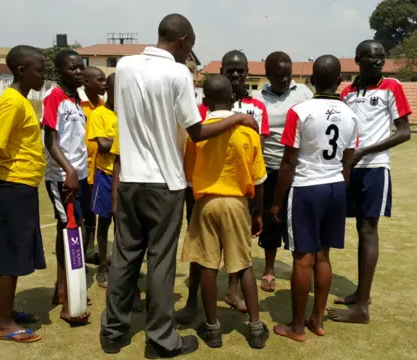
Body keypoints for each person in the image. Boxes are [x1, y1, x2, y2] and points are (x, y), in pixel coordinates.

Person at [99, 14, 258, 358]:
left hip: (130, 179)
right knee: (160, 261)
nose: (191, 54)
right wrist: (239, 118)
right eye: (191, 46)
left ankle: (113, 332)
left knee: (125, 256)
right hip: (164, 183)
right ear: (183, 39)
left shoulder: (124, 66)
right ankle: (161, 339)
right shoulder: (177, 73)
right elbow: (196, 130)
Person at [176, 50, 270, 324]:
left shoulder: (202, 127)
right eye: (230, 68)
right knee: (243, 264)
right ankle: (254, 325)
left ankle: (213, 323)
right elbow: (259, 177)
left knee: (207, 262)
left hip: (206, 200)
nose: (236, 73)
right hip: (236, 201)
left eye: (241, 69)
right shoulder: (244, 128)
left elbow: (190, 176)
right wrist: (257, 211)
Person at [270, 55, 357, 342]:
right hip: (336, 188)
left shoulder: (300, 110)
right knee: (324, 256)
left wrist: (277, 202)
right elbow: (348, 161)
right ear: (340, 80)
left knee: (302, 259)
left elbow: (288, 162)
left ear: (311, 81)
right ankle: (317, 320)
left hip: (307, 188)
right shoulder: (350, 114)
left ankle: (296, 327)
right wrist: (339, 191)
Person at [328, 40, 412, 324]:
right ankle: (359, 293)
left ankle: (362, 307)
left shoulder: (392, 86)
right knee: (356, 229)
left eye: (382, 57)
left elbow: (404, 133)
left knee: (368, 231)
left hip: (374, 168)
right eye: (372, 57)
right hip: (349, 169)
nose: (378, 62)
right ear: (357, 59)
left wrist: (364, 151)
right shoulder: (347, 92)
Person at [0, 45, 46, 343]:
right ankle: (4, 324)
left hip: (21, 186)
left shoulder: (21, 101)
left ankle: (4, 310)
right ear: (21, 71)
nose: (43, 75)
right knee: (9, 255)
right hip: (12, 187)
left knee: (15, 252)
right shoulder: (13, 103)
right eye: (39, 70)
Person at [252, 51, 313, 292]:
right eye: (279, 76)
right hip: (268, 168)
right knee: (270, 219)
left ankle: (302, 268)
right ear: (268, 75)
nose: (285, 80)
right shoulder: (258, 97)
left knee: (298, 219)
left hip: (297, 169)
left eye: (288, 75)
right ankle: (269, 269)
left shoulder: (304, 94)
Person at [42, 49, 91, 325]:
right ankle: (65, 296)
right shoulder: (54, 97)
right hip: (63, 177)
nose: (79, 72)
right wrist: (69, 171)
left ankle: (66, 287)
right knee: (69, 230)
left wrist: (79, 172)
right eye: (73, 69)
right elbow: (50, 140)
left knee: (74, 229)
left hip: (79, 175)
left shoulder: (76, 99)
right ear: (61, 72)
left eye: (81, 68)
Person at [86, 73, 115, 288]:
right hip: (105, 175)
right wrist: (124, 138)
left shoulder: (130, 113)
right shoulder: (99, 114)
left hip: (128, 177)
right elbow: (103, 146)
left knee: (126, 226)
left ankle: (123, 266)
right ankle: (103, 266)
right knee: (104, 222)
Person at [79, 66, 107, 265]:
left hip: (99, 169)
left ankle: (88, 250)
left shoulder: (104, 106)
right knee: (83, 211)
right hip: (81, 168)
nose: (104, 83)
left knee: (94, 211)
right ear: (87, 82)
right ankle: (80, 251)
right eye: (100, 79)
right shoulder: (78, 104)